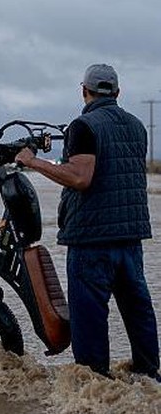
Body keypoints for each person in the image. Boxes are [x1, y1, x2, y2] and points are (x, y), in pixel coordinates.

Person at [16, 63, 160, 381]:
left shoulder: (84, 126)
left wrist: (33, 161)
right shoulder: (137, 126)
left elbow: (81, 177)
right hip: (130, 237)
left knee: (90, 322)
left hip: (91, 241)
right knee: (138, 310)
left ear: (84, 91)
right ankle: (149, 376)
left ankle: (95, 391)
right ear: (118, 93)